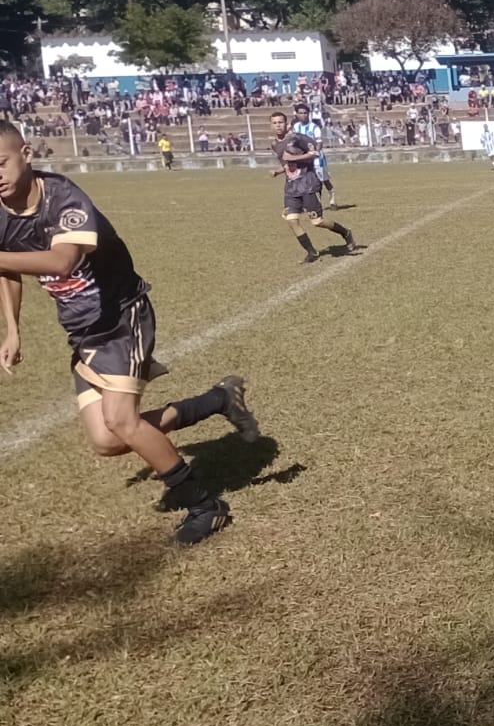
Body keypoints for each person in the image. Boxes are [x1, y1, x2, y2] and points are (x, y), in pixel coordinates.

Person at [0, 120, 258, 545]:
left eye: (2, 163)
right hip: (82, 331)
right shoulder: (3, 214)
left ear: (26, 154)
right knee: (107, 441)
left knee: (121, 421)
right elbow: (7, 267)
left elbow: (63, 261)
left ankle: (204, 505)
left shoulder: (65, 199)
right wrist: (13, 330)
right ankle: (218, 399)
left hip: (122, 319)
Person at [269, 112, 357, 263]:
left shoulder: (297, 138)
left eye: (281, 122)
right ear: (271, 125)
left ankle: (346, 233)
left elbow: (315, 154)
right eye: (275, 123)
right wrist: (278, 171)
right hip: (291, 187)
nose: (278, 125)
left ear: (287, 124)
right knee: (291, 220)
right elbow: (288, 164)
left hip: (308, 184)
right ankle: (312, 252)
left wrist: (294, 157)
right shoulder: (274, 144)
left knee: (317, 222)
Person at [291, 104, 338, 208]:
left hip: (316, 158)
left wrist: (315, 153)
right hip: (303, 158)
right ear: (297, 115)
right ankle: (314, 203)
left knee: (323, 179)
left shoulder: (314, 127)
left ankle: (332, 198)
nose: (303, 115)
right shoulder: (295, 127)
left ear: (308, 114)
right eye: (301, 113)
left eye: (305, 113)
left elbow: (319, 142)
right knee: (304, 180)